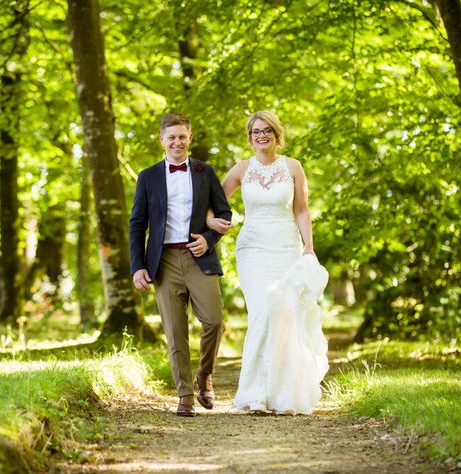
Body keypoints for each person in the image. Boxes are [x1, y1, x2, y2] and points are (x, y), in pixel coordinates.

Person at [207, 111, 329, 415]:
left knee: (283, 313)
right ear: (249, 138)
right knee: (261, 311)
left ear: (277, 134)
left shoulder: (293, 167)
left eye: (267, 131)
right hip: (252, 249)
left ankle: (282, 394)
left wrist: (309, 246)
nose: (262, 136)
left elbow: (301, 209)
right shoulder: (241, 169)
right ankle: (255, 394)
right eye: (256, 132)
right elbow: (214, 201)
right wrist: (213, 220)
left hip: (287, 247)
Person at [129, 112, 232, 417]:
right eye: (171, 137)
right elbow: (137, 224)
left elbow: (224, 213)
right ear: (161, 140)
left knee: (214, 320)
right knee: (175, 332)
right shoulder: (147, 177)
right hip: (163, 260)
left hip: (199, 257)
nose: (177, 142)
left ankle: (204, 375)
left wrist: (209, 238)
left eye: (182, 136)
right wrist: (137, 266)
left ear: (190, 138)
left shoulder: (205, 171)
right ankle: (185, 394)